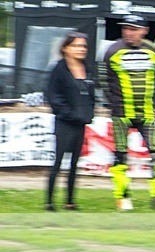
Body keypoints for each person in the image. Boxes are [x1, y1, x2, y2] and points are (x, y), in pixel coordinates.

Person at [102, 14, 155, 211]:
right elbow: (104, 81)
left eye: (133, 29)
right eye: (125, 28)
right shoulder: (112, 51)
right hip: (121, 113)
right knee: (121, 155)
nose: (128, 32)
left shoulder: (153, 51)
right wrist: (114, 104)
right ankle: (123, 197)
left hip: (146, 113)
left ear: (144, 31)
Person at [44, 32, 95, 211]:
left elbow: (90, 95)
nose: (81, 49)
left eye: (83, 46)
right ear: (65, 48)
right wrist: (68, 113)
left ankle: (70, 201)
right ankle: (49, 201)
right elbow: (52, 96)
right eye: (76, 46)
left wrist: (89, 113)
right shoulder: (58, 69)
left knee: (74, 163)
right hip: (65, 122)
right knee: (58, 162)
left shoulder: (86, 68)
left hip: (81, 123)